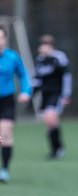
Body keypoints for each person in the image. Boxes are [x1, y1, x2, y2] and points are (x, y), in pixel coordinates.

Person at [32, 34, 72, 159]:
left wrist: (66, 94)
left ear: (51, 46)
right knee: (49, 122)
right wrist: (30, 93)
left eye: (47, 44)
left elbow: (66, 76)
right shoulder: (40, 60)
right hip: (46, 94)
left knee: (50, 117)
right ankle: (55, 149)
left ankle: (58, 148)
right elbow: (37, 79)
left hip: (57, 94)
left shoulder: (59, 57)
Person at [0, 25, 31, 183]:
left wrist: (26, 91)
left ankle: (4, 170)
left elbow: (23, 75)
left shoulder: (12, 57)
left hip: (6, 100)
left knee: (4, 133)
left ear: (5, 39)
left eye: (0, 37)